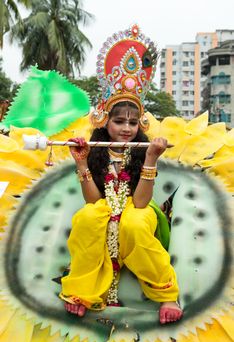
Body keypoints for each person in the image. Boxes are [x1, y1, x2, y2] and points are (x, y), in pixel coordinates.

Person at [60, 25, 183, 324]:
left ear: (139, 123)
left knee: (134, 223)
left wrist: (151, 157)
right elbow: (93, 201)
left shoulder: (142, 149)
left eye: (131, 122)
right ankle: (81, 290)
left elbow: (141, 203)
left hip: (138, 207)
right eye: (118, 122)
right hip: (104, 206)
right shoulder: (99, 150)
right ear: (106, 123)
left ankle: (167, 293)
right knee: (87, 218)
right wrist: (82, 163)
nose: (126, 128)